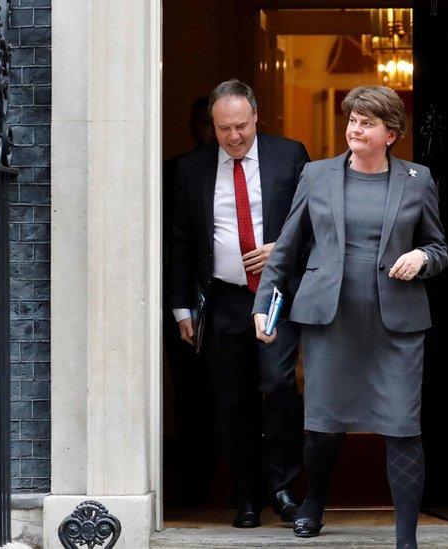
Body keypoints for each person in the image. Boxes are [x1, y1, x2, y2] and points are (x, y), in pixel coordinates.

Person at [252, 85, 448, 548]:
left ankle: (406, 538)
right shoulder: (317, 176)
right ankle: (314, 504)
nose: (355, 129)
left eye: (367, 123)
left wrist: (422, 257)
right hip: (330, 320)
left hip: (396, 324)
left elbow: (440, 247)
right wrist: (264, 305)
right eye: (352, 121)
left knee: (403, 425)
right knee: (324, 423)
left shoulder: (417, 179)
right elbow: (288, 247)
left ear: (391, 134)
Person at [168, 80, 310, 528]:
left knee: (278, 386)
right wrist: (181, 307)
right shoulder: (190, 169)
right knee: (230, 402)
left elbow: (315, 223)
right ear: (212, 125)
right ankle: (246, 497)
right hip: (222, 298)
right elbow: (181, 241)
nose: (233, 137)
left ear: (257, 118)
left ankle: (283, 488)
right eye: (224, 128)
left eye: (241, 127)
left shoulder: (289, 156)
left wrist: (282, 247)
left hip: (274, 296)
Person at [162, 96, 217, 507]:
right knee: (190, 392)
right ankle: (196, 482)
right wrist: (180, 305)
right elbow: (173, 242)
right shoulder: (173, 171)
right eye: (208, 123)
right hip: (186, 302)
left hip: (237, 302)